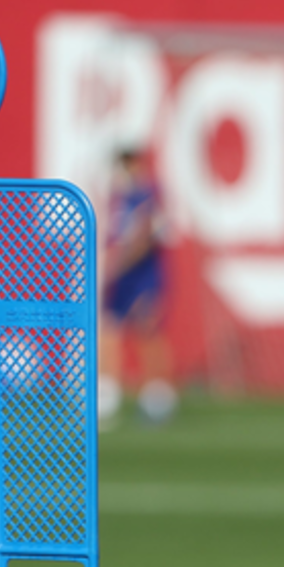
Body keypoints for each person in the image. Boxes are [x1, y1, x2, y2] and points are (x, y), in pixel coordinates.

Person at [99, 148, 177, 424]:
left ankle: (158, 397)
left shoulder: (150, 194)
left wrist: (112, 266)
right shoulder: (119, 197)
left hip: (144, 275)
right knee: (110, 329)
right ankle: (106, 395)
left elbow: (145, 238)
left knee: (149, 331)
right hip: (123, 276)